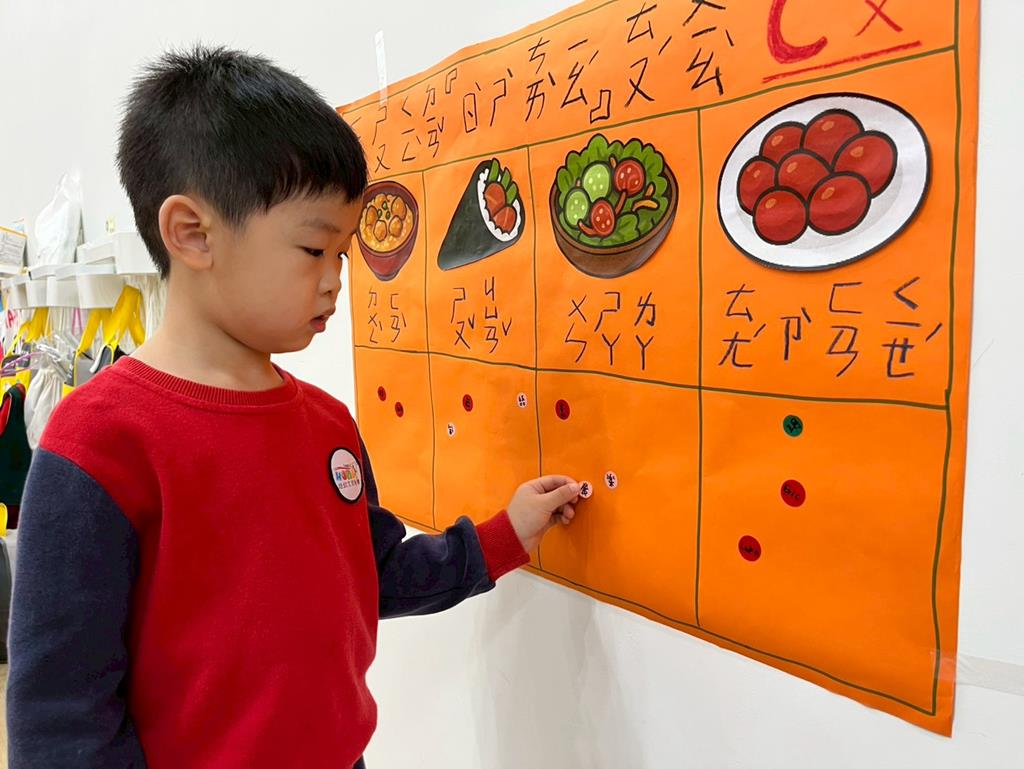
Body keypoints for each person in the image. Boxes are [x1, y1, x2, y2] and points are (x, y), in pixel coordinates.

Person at [6, 45, 580, 769]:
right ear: (192, 233)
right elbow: (61, 718)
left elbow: (375, 575)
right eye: (314, 249)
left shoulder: (329, 425)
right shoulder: (99, 442)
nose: (336, 280)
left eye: (344, 255)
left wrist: (505, 535)